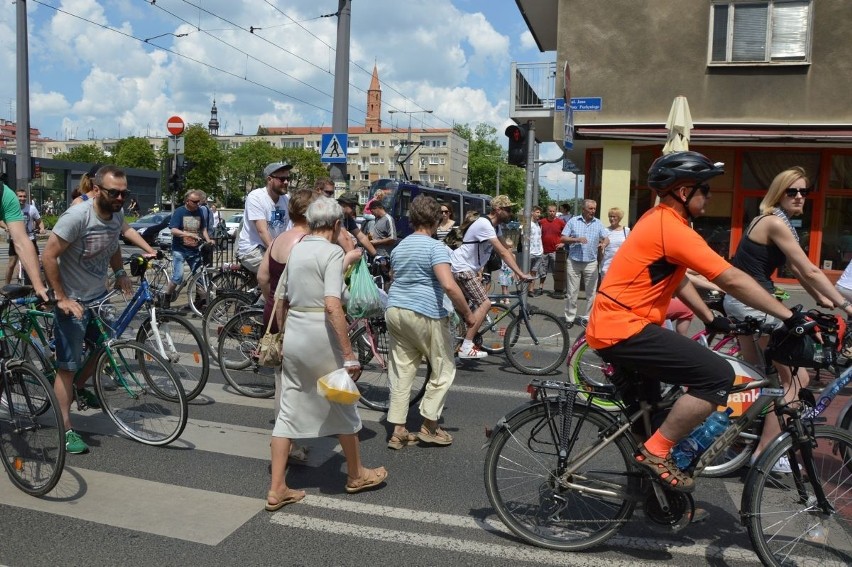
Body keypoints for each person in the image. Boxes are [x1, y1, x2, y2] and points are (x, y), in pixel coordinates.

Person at [587, 151, 800, 494]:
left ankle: (654, 499)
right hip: (623, 328)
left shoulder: (660, 220)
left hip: (620, 325)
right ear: (684, 193)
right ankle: (658, 451)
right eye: (705, 189)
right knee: (717, 376)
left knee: (651, 415)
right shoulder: (671, 227)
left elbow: (679, 278)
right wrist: (788, 315)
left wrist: (709, 318)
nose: (710, 195)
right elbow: (731, 278)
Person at [723, 166, 852, 469]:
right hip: (755, 304)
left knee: (760, 378)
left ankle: (740, 442)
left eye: (803, 192)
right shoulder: (774, 222)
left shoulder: (774, 221)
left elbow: (798, 271)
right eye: (791, 191)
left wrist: (822, 298)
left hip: (743, 301)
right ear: (778, 193)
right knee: (796, 379)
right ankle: (766, 456)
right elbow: (809, 269)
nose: (798, 197)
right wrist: (845, 306)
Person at [266, 197, 387, 511]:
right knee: (344, 403)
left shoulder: (298, 249)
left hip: (295, 332)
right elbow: (333, 304)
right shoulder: (332, 252)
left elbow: (281, 298)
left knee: (289, 407)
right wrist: (349, 354)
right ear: (336, 225)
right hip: (322, 335)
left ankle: (277, 487)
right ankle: (357, 474)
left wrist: (282, 336)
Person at [42, 165, 157, 455]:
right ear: (96, 189)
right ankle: (66, 429)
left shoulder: (116, 214)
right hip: (73, 300)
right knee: (67, 367)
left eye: (124, 193)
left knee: (104, 346)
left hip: (97, 296)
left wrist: (119, 272)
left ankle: (80, 386)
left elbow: (113, 243)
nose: (120, 198)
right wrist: (62, 298)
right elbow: (49, 255)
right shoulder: (77, 217)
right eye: (113, 192)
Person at [385, 195, 476, 449]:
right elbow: (448, 284)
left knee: (402, 371)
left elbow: (394, 275)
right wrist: (468, 314)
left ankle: (398, 430)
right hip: (425, 312)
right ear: (436, 220)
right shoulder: (436, 248)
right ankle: (429, 425)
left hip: (395, 310)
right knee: (443, 367)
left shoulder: (400, 247)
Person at [257, 189, 316, 466]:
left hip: (274, 314)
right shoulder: (307, 242)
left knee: (283, 380)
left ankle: (289, 441)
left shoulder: (279, 239)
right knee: (296, 385)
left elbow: (263, 276)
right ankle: (287, 444)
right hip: (297, 318)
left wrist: (272, 299)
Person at [450, 195, 532, 359]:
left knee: (467, 308)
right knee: (485, 303)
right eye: (508, 209)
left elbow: (506, 249)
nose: (510, 213)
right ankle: (466, 346)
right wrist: (520, 273)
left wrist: (517, 269)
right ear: (497, 210)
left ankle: (460, 336)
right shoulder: (484, 224)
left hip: (469, 269)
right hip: (462, 268)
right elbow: (501, 252)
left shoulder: (495, 227)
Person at [237, 162, 293, 274]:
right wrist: (277, 254)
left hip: (272, 247)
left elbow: (291, 228)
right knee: (278, 273)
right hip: (252, 250)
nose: (286, 182)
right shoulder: (256, 197)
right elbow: (262, 231)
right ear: (269, 179)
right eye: (282, 179)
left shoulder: (286, 198)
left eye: (288, 178)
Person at [561, 199, 609, 327]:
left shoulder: (598, 223)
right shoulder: (573, 221)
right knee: (572, 292)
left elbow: (606, 237)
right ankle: (569, 319)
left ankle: (588, 319)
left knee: (591, 293)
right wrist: (576, 239)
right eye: (590, 209)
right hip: (574, 261)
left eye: (594, 209)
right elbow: (563, 237)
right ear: (583, 209)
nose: (593, 211)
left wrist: (603, 243)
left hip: (591, 263)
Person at [164, 190, 215, 308]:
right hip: (180, 250)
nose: (198, 204)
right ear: (187, 201)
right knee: (178, 277)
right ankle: (167, 296)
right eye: (195, 202)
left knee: (200, 277)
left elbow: (203, 229)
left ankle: (204, 304)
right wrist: (188, 234)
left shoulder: (199, 211)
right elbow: (173, 230)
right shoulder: (180, 212)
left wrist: (208, 240)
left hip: (194, 250)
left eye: (199, 202)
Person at [2, 190, 45, 285]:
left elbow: (39, 221)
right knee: (11, 264)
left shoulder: (32, 209)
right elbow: (1, 220)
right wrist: (6, 227)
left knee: (37, 263)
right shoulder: (11, 208)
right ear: (15, 197)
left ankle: (40, 285)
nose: (22, 199)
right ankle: (6, 287)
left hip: (30, 238)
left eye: (24, 196)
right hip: (16, 239)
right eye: (20, 196)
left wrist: (42, 228)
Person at [336, 192, 376, 256]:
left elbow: (362, 237)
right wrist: (354, 258)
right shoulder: (336, 217)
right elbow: (346, 237)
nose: (354, 209)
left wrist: (376, 255)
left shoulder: (348, 218)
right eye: (352, 206)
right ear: (343, 205)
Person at [538, 204, 566, 297]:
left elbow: (567, 234)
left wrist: (563, 243)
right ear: (547, 211)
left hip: (555, 251)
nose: (552, 213)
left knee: (556, 272)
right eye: (550, 211)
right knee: (542, 271)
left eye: (553, 211)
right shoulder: (541, 222)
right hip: (544, 251)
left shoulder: (561, 222)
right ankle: (540, 288)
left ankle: (557, 289)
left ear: (556, 212)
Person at [599, 207, 629, 282]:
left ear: (619, 218)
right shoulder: (604, 231)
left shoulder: (626, 230)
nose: (611, 218)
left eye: (614, 216)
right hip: (607, 266)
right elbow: (601, 248)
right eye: (610, 216)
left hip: (622, 266)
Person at [527, 206, 544, 296]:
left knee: (534, 272)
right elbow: (524, 237)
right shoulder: (528, 224)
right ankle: (523, 290)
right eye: (537, 212)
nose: (539, 214)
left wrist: (541, 250)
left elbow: (539, 238)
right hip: (530, 252)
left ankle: (531, 290)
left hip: (538, 252)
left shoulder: (538, 224)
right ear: (532, 213)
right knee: (526, 272)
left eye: (539, 213)